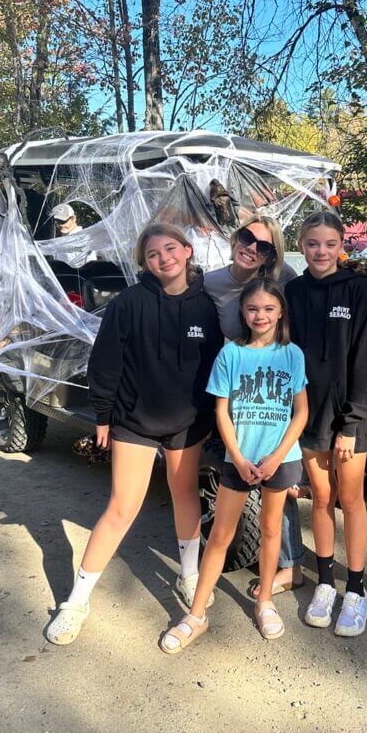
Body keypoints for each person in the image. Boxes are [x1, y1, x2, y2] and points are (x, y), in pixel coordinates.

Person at [44, 222, 223, 646]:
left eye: (171, 249)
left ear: (187, 251)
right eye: (153, 254)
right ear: (144, 262)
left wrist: (216, 415)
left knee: (184, 496)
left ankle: (190, 574)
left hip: (188, 421)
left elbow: (218, 364)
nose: (164, 258)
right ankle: (76, 602)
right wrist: (103, 416)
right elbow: (106, 361)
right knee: (122, 507)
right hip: (133, 419)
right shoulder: (129, 302)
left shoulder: (207, 306)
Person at [159, 277, 308, 652]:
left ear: (281, 313)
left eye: (269, 309)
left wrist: (276, 457)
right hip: (238, 461)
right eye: (253, 308)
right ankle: (195, 615)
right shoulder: (230, 355)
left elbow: (301, 413)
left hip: (280, 459)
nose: (261, 315)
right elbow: (222, 412)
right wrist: (239, 458)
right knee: (221, 536)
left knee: (272, 530)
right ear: (242, 312)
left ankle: (265, 602)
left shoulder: (293, 354)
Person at [285, 210, 367, 637]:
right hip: (308, 413)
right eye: (312, 244)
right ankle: (325, 582)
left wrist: (352, 423)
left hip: (349, 418)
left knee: (351, 498)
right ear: (301, 246)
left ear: (341, 246)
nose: (320, 252)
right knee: (321, 499)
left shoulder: (359, 290)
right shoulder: (292, 291)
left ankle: (356, 590)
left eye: (329, 244)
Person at [204, 215, 305, 599]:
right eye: (247, 237)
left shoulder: (286, 277)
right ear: (236, 237)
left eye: (263, 245)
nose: (252, 247)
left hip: (277, 387)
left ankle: (290, 563)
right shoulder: (211, 282)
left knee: (278, 476)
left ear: (270, 255)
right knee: (241, 466)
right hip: (235, 385)